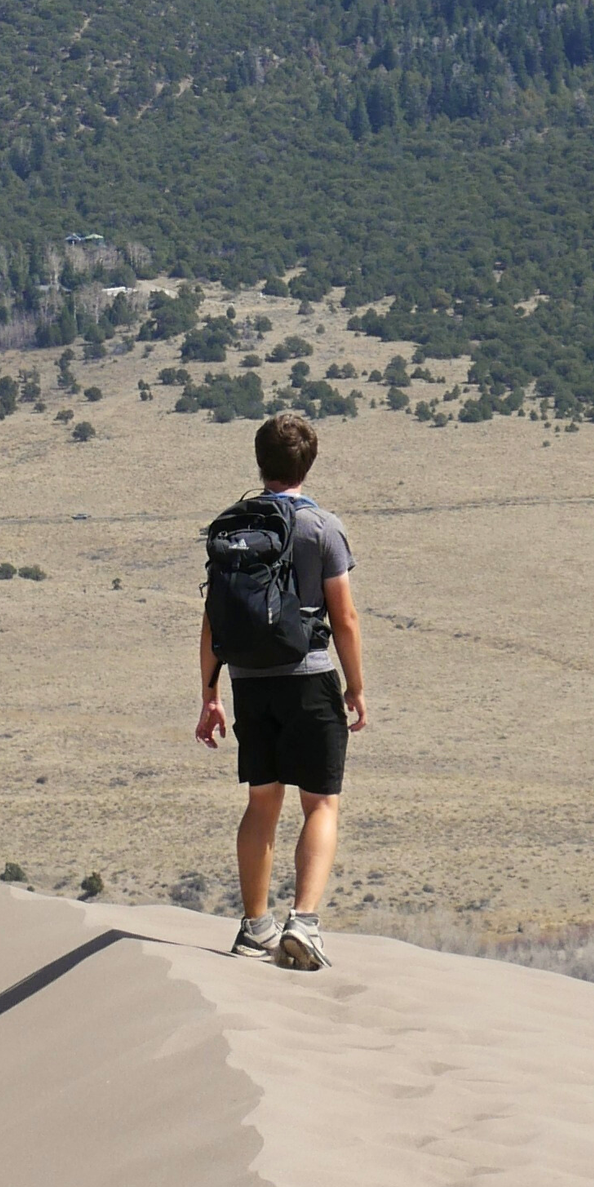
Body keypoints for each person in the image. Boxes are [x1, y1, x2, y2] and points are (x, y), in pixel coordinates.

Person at [194, 410, 365, 969]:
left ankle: (254, 926)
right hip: (310, 676)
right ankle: (305, 922)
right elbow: (345, 617)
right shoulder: (322, 527)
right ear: (308, 463)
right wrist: (356, 687)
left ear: (260, 461)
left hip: (250, 684)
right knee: (321, 802)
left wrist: (210, 695)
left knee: (262, 802)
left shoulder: (230, 527)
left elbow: (211, 622)